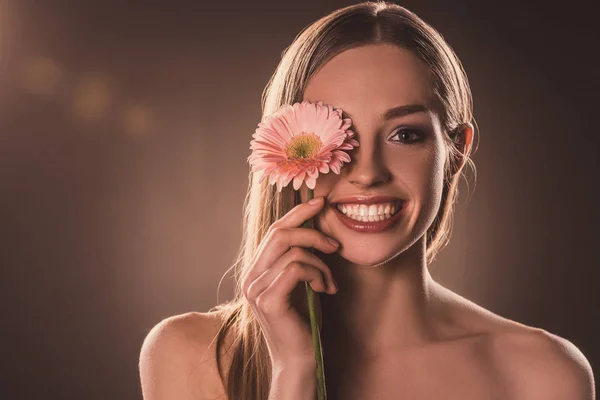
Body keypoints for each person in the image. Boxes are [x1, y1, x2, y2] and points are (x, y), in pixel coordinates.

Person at [138, 1, 595, 399]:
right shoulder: (191, 357)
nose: (367, 171)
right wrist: (292, 371)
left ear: (456, 152)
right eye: (339, 134)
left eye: (405, 134)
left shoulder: (543, 374)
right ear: (288, 151)